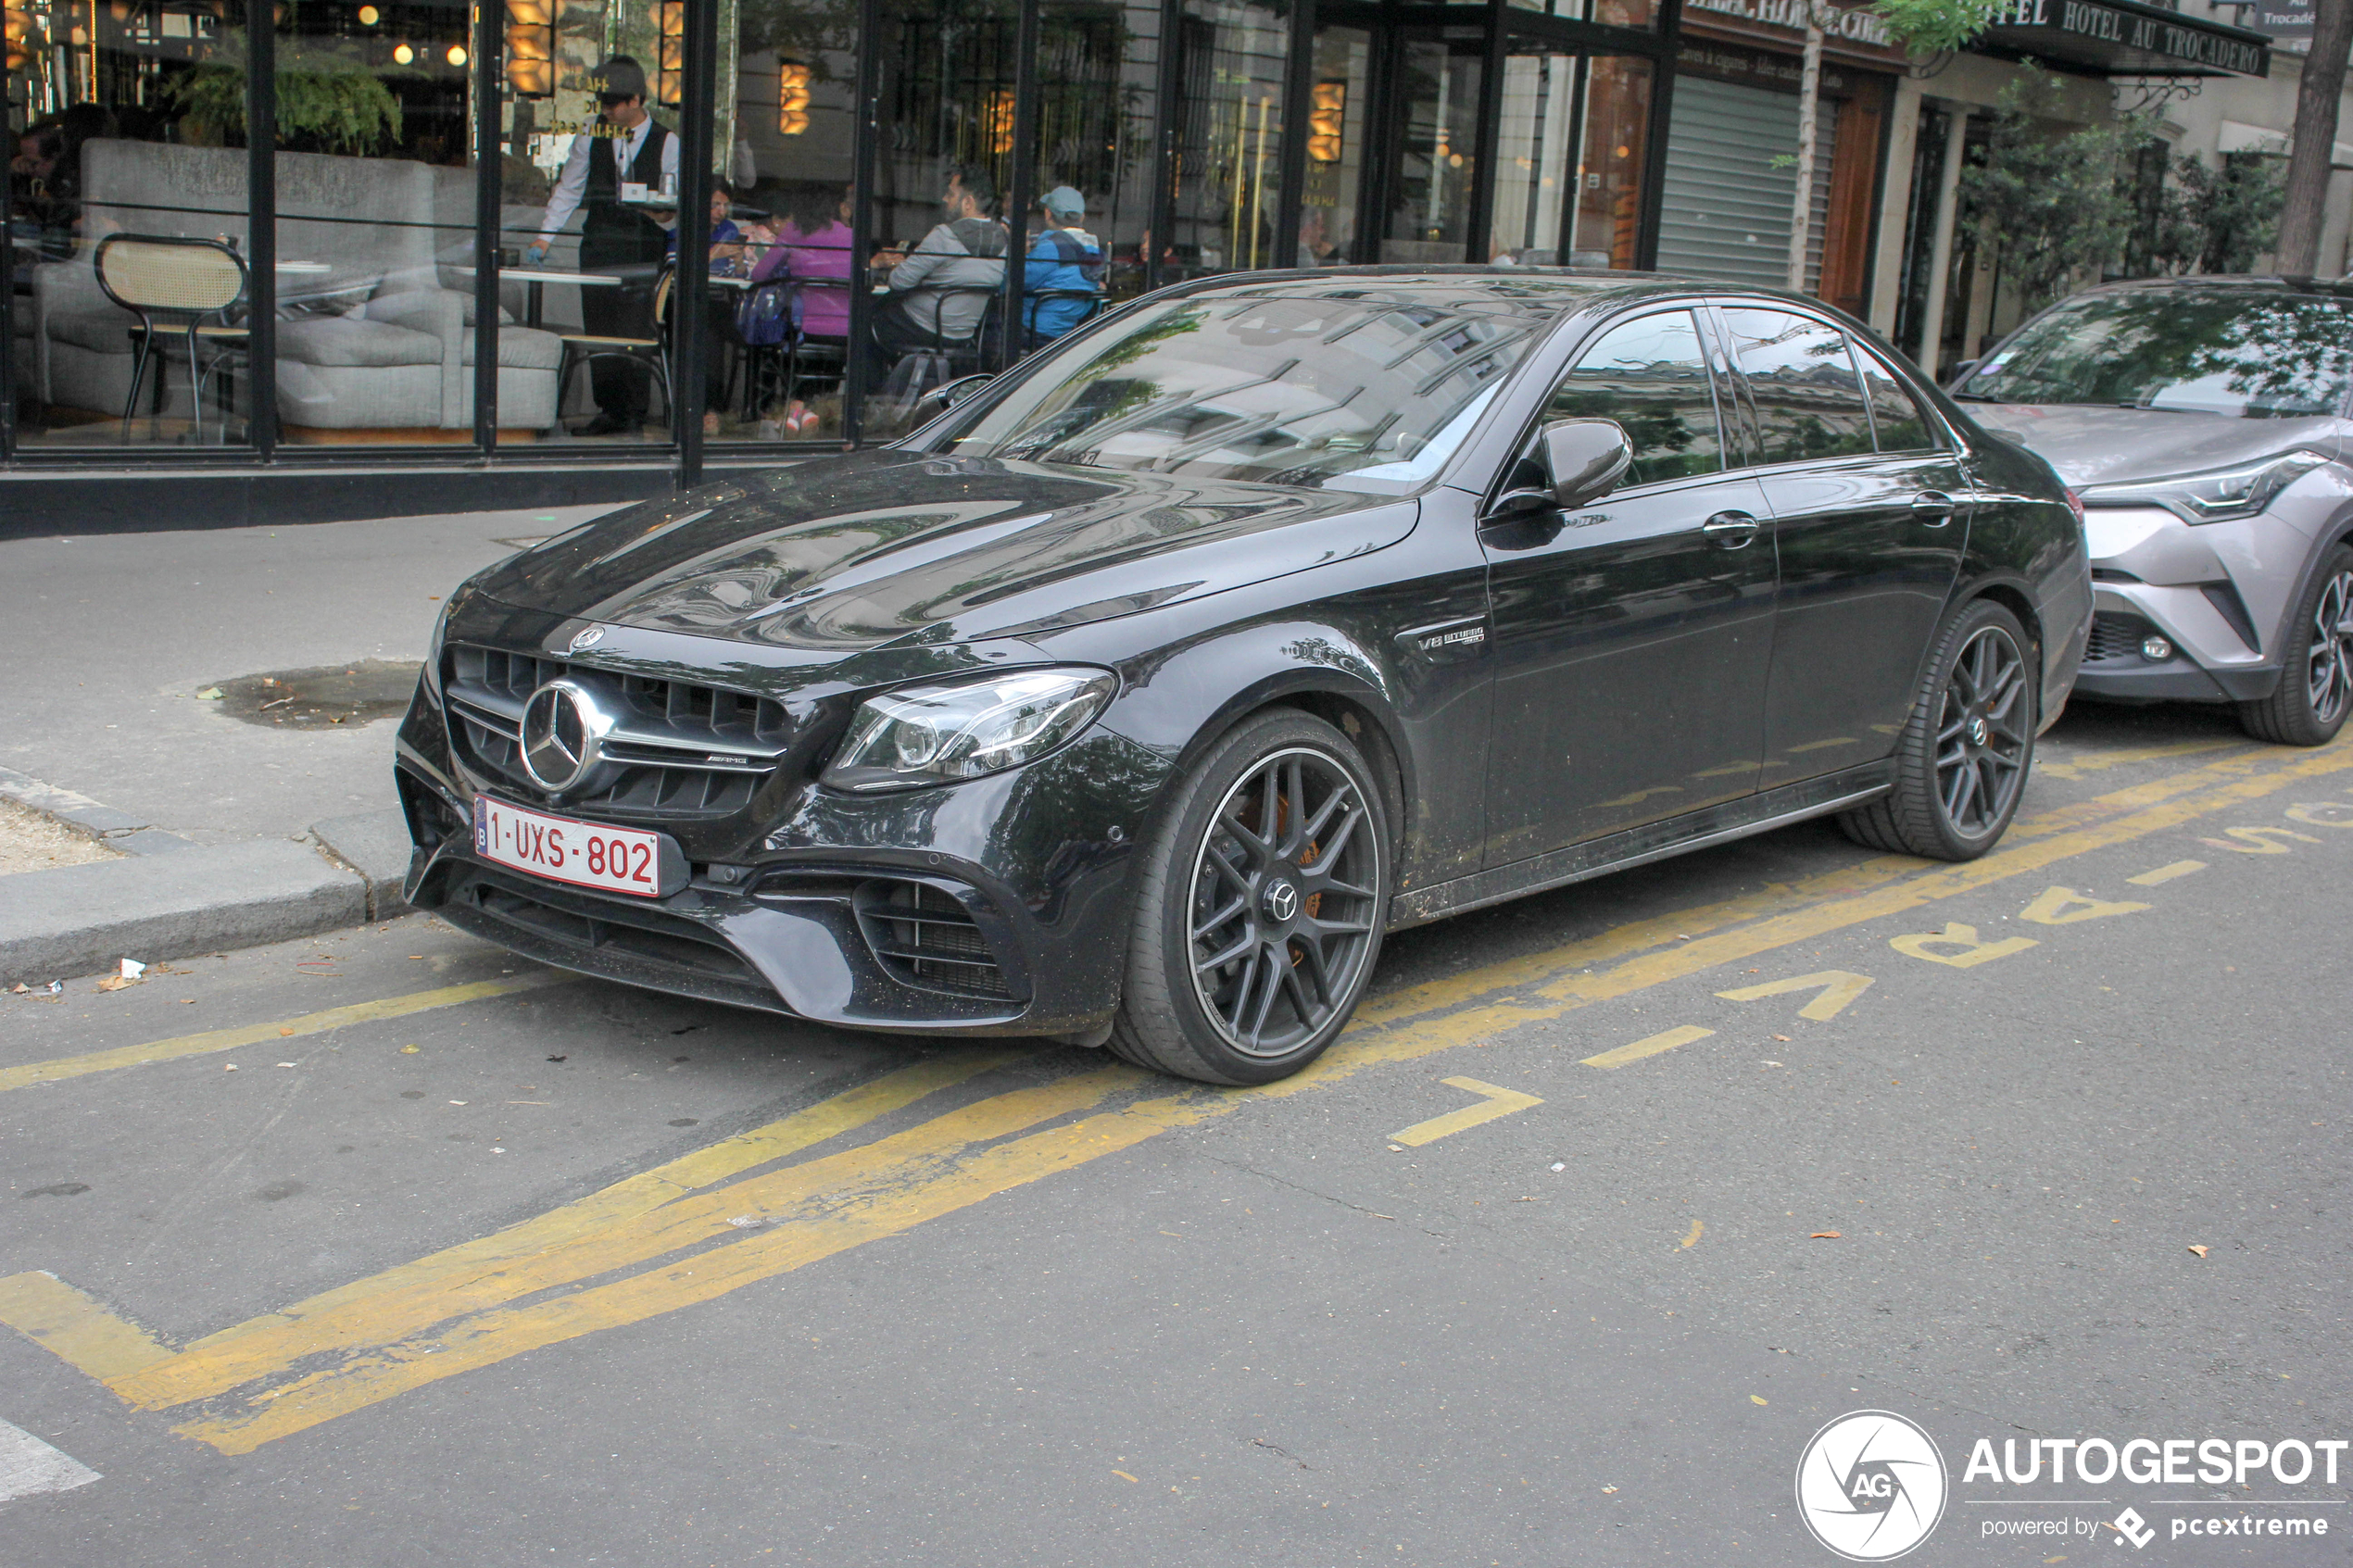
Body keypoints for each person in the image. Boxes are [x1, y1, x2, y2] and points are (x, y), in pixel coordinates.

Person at [527, 56, 678, 436]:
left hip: (643, 245)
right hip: (598, 243)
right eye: (603, 103)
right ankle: (609, 408)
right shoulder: (590, 133)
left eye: (614, 103)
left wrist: (661, 216)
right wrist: (545, 237)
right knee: (598, 326)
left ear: (638, 99)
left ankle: (634, 411)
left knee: (634, 331)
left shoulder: (667, 141)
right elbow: (570, 187)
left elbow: (675, 205)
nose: (607, 110)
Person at [863, 163, 1007, 386]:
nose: (944, 199)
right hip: (964, 337)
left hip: (920, 328)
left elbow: (898, 281)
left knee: (864, 324)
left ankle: (873, 399)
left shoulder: (944, 236)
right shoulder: (1004, 241)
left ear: (968, 203)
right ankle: (909, 385)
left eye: (950, 194)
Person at [747, 186, 854, 433]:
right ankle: (809, 408)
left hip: (803, 328)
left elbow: (760, 273)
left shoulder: (794, 231)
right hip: (845, 330)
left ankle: (783, 407)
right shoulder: (851, 235)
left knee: (769, 331)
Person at [1022, 185, 1102, 344]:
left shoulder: (1051, 248)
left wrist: (1022, 253)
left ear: (1047, 214)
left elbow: (1015, 281)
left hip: (1034, 332)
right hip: (1069, 334)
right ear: (1082, 217)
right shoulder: (1094, 249)